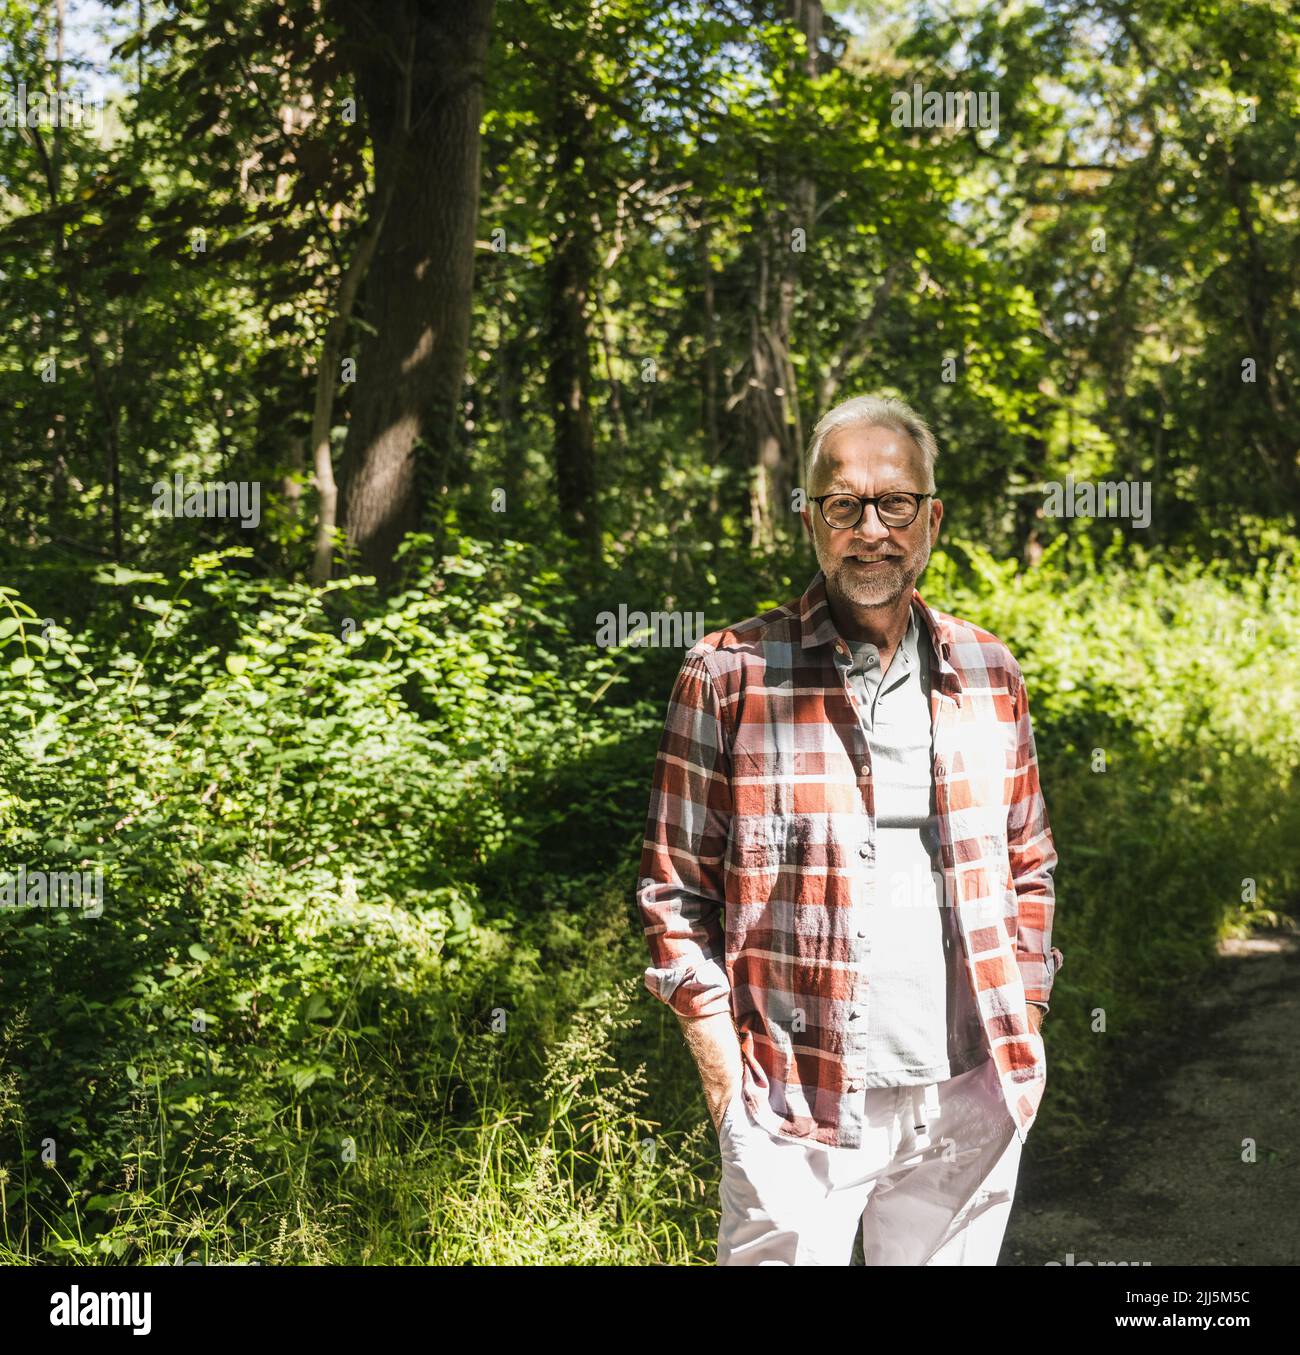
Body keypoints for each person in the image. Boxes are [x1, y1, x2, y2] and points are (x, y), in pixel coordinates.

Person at [636, 394, 1063, 1266]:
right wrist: (728, 1089)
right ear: (811, 522)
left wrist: (1028, 1010)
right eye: (845, 505)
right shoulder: (728, 674)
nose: (872, 528)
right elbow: (673, 896)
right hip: (793, 1100)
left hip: (968, 1090)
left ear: (932, 517)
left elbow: (1029, 863)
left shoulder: (988, 670)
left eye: (895, 502)